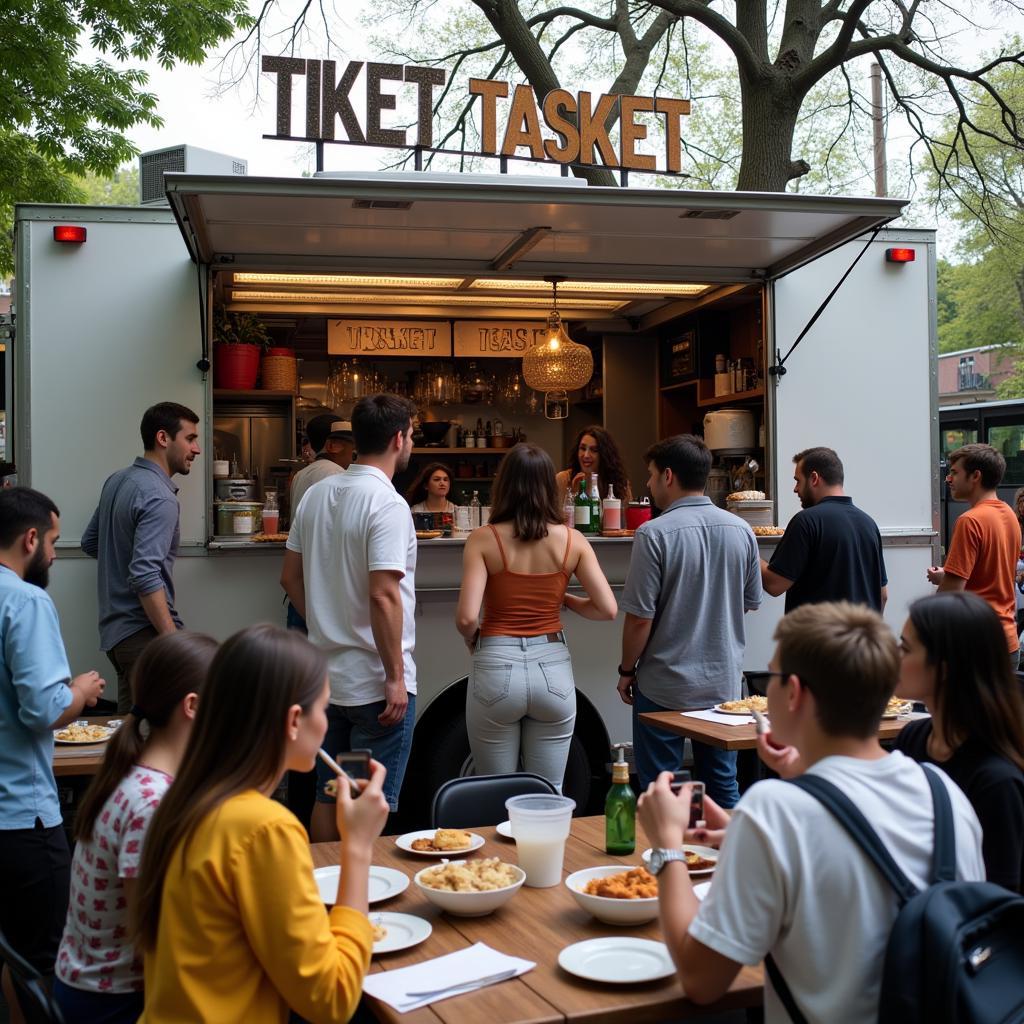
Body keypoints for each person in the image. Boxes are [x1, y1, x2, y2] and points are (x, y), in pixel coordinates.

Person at [637, 601, 985, 1023]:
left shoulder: (774, 810)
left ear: (796, 692)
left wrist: (668, 848)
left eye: (773, 678)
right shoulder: (946, 794)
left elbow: (700, 981)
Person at [133, 625, 389, 1024]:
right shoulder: (265, 827)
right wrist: (357, 846)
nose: (325, 723)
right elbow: (332, 1000)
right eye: (323, 708)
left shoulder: (190, 798)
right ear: (293, 721)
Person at [54, 631, 218, 1023]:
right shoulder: (152, 804)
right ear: (193, 706)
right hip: (113, 1002)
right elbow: (156, 941)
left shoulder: (135, 772)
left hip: (94, 988)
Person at [282, 393, 417, 842]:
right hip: (374, 689)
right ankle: (362, 899)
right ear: (399, 439)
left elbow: (289, 578)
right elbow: (383, 596)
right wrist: (396, 677)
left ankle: (324, 898)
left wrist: (322, 622)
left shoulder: (316, 494)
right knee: (365, 803)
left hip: (327, 681)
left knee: (330, 795)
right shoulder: (388, 504)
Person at [455, 444, 617, 791]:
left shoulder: (484, 539)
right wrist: (566, 600)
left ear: (503, 485)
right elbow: (607, 609)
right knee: (548, 795)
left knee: (494, 793)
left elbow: (467, 618)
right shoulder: (573, 541)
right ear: (549, 486)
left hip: (496, 663)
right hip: (553, 669)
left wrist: (475, 639)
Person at [0, 487, 105, 1019]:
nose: (56, 557)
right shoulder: (24, 599)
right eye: (55, 543)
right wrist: (82, 694)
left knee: (11, 953)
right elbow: (43, 709)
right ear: (31, 538)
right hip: (22, 813)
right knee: (45, 960)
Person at [618, 435, 761, 806]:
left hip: (663, 684)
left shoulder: (653, 533)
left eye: (650, 476)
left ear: (668, 476)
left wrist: (626, 670)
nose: (648, 485)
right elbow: (749, 602)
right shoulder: (741, 529)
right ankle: (728, 862)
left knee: (659, 792)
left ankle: (663, 861)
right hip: (722, 684)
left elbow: (638, 619)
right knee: (723, 785)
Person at [893, 593, 1024, 892]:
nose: (896, 657)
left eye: (905, 648)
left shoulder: (996, 783)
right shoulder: (913, 738)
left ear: (944, 668)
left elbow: (1000, 903)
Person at [83, 402, 201, 713]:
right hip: (142, 634)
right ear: (163, 438)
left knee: (129, 735)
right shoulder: (159, 496)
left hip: (116, 636)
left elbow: (90, 542)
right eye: (190, 439)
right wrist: (170, 641)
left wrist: (122, 564)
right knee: (158, 737)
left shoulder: (118, 480)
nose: (197, 449)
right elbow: (145, 574)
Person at [760, 446, 888, 612]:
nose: (795, 489)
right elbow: (883, 595)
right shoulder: (869, 524)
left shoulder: (806, 521)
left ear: (814, 478)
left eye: (798, 480)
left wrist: (750, 549)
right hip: (863, 636)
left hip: (818, 637)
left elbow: (774, 584)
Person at [928, 443, 1021, 665]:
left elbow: (952, 593)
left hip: (976, 645)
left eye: (954, 472)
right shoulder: (1009, 515)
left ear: (975, 476)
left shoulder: (970, 520)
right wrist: (949, 574)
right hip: (1007, 641)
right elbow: (993, 574)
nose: (948, 480)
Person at [285, 416, 356, 635]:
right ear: (333, 446)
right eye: (352, 447)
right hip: (325, 591)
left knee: (299, 666)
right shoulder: (337, 475)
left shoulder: (301, 475)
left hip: (302, 584)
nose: (354, 454)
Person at [555, 425, 633, 508]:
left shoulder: (619, 483)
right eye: (582, 448)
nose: (586, 455)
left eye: (594, 450)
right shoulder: (562, 479)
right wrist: (574, 494)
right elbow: (553, 518)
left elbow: (626, 519)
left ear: (604, 455)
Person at [290, 415, 356, 513]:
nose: (353, 456)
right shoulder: (337, 474)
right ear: (332, 445)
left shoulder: (299, 475)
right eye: (352, 449)